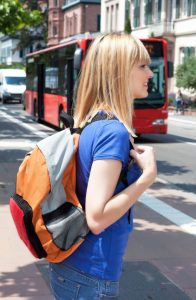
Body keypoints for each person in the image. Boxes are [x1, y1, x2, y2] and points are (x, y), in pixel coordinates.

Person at [50, 33, 157, 300]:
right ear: (119, 71)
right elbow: (96, 219)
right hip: (91, 275)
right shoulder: (112, 132)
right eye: (142, 66)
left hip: (78, 269)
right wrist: (147, 177)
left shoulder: (95, 121)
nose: (151, 74)